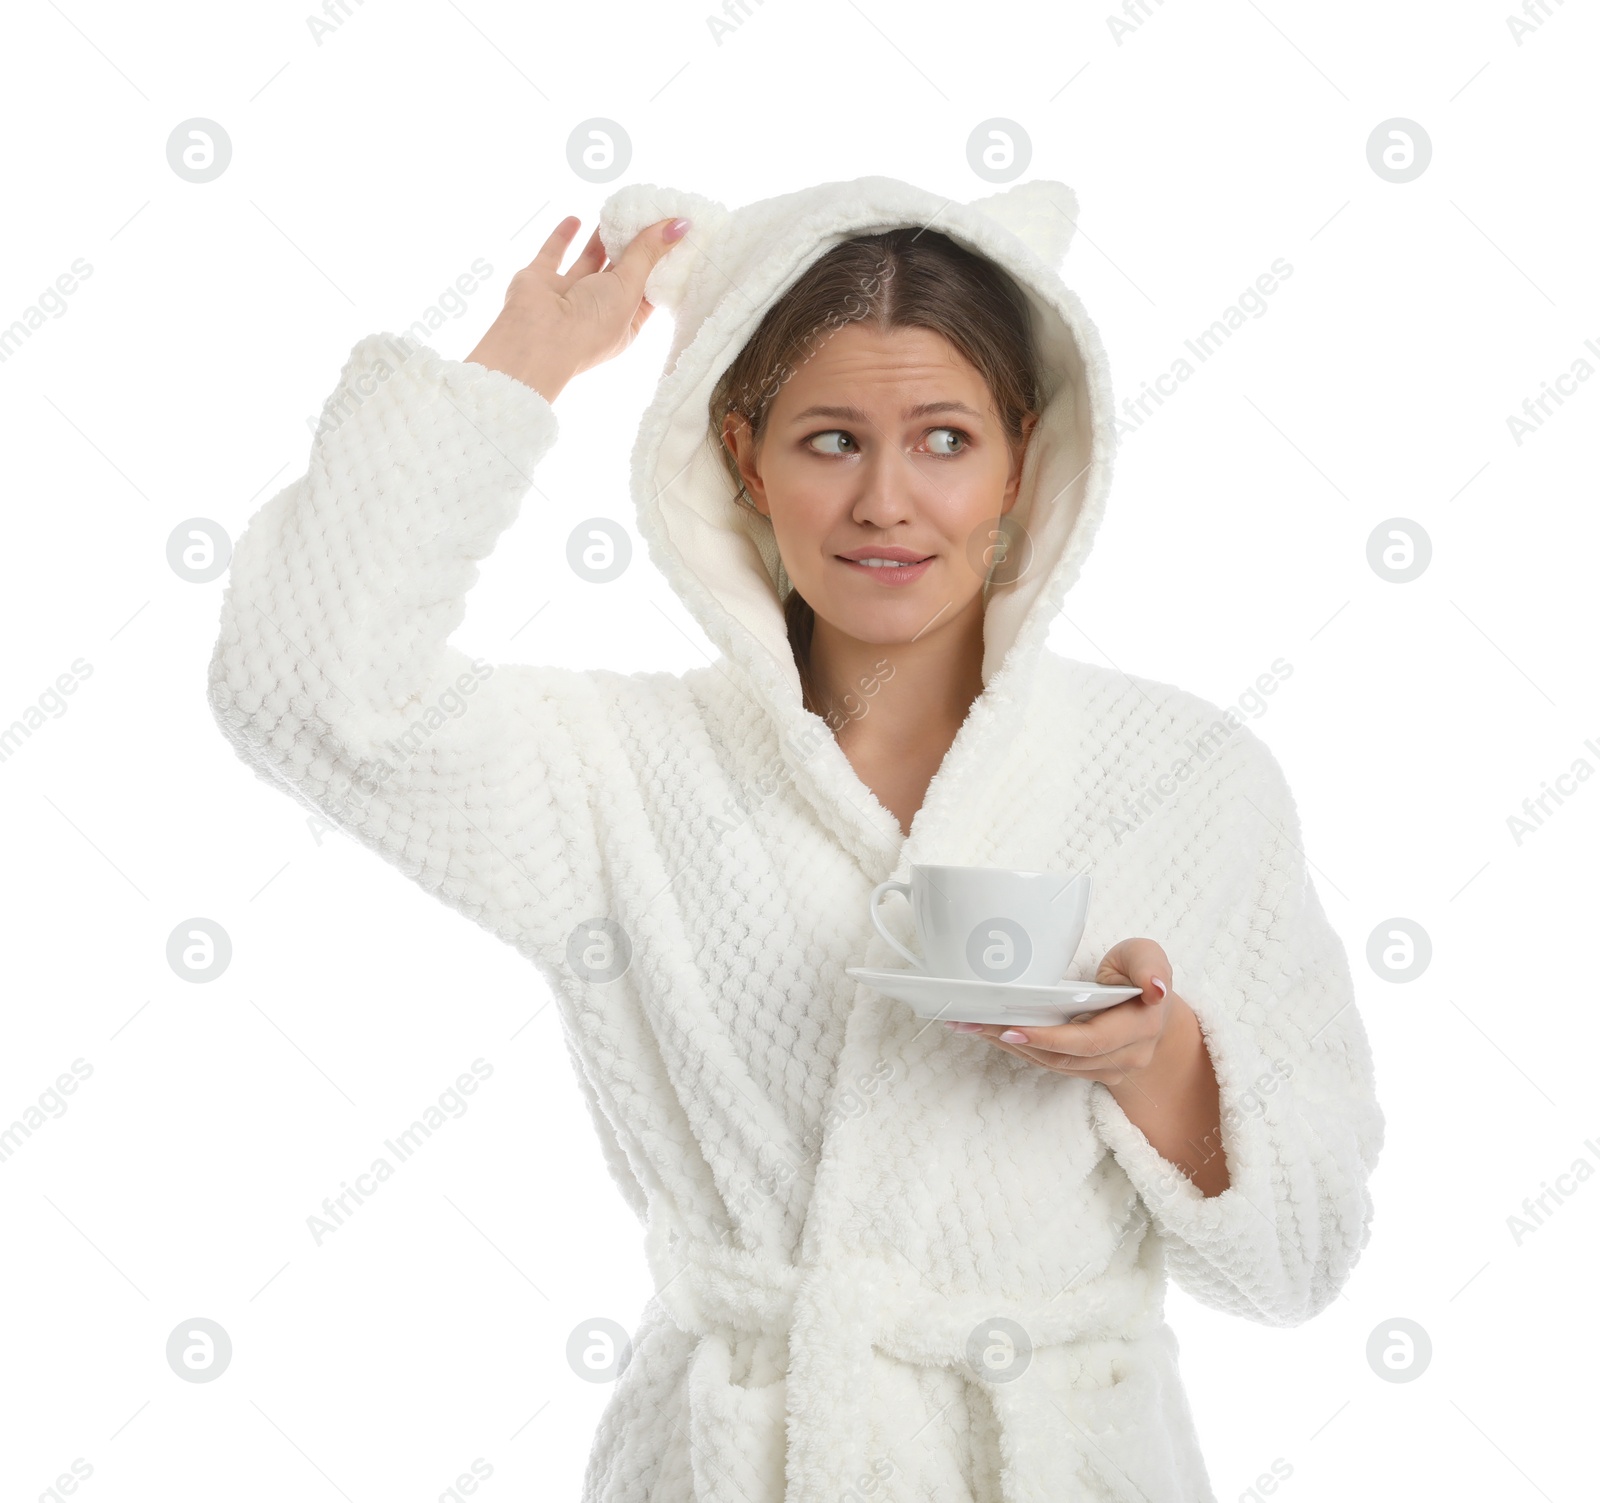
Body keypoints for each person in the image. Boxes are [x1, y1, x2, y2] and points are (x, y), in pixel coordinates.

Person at [207, 174, 1385, 1503]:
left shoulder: (1182, 777)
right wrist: (518, 370)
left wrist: (1161, 1062)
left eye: (945, 440)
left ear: (1023, 461)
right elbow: (304, 694)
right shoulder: (618, 774)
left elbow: (1300, 1259)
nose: (888, 501)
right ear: (745, 459)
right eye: (832, 441)